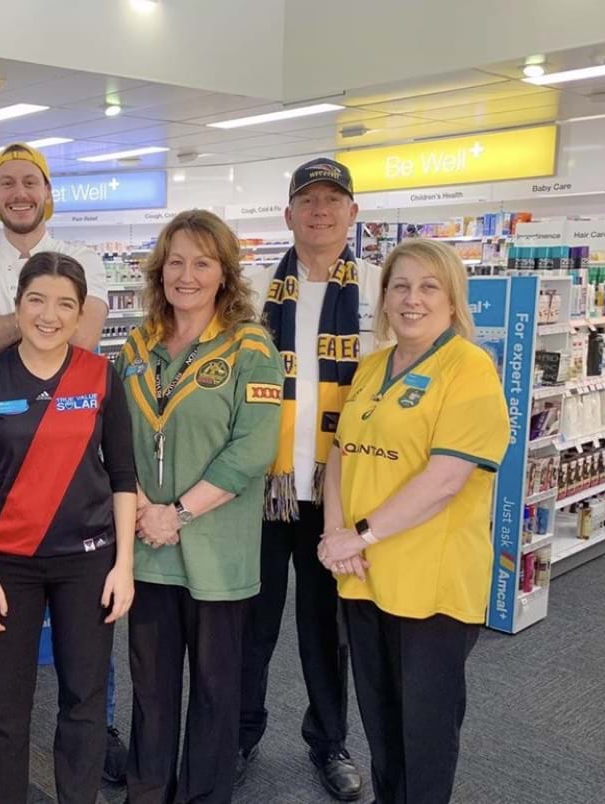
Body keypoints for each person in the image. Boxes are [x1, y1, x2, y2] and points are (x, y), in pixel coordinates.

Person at [0, 142, 129, 786]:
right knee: (5, 702)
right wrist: (32, 323)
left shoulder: (97, 360)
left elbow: (80, 344)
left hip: (86, 547)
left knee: (85, 692)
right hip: (9, 542)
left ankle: (94, 753)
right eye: (7, 183)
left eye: (31, 182)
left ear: (49, 193)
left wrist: (13, 321)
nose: (19, 193)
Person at [319, 238, 508, 804]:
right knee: (380, 723)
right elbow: (341, 454)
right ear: (383, 298)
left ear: (452, 300)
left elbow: (445, 480)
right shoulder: (372, 367)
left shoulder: (470, 369)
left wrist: (360, 534)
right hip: (364, 574)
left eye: (429, 287)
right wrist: (335, 535)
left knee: (424, 732)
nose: (412, 299)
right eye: (399, 286)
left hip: (431, 585)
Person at [116, 209, 284, 803]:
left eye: (202, 263)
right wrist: (144, 508)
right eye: (176, 262)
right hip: (146, 547)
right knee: (150, 689)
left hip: (217, 553)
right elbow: (115, 437)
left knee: (215, 691)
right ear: (159, 270)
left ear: (225, 274)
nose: (186, 275)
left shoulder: (250, 347)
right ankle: (147, 792)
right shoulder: (136, 345)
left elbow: (253, 448)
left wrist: (177, 513)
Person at [238, 158, 381, 798]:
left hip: (336, 494)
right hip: (262, 489)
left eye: (333, 199)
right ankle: (241, 733)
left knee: (327, 630)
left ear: (353, 212)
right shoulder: (251, 290)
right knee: (251, 623)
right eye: (308, 200)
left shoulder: (380, 289)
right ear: (288, 214)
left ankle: (329, 741)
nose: (320, 210)